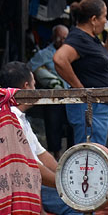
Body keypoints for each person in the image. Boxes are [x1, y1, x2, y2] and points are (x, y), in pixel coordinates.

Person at [0, 62, 89, 215]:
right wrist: (64, 187)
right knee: (77, 205)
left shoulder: (17, 115)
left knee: (82, 198)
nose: (37, 88)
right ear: (27, 86)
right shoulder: (6, 116)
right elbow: (29, 166)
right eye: (35, 84)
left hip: (29, 181)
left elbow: (42, 155)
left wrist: (66, 177)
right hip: (14, 187)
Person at [53, 0, 108, 145]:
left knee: (95, 152)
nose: (106, 20)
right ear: (94, 19)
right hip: (89, 107)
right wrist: (80, 89)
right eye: (104, 16)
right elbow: (59, 59)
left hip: (97, 108)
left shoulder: (91, 39)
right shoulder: (79, 38)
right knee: (88, 155)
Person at [28, 25, 72, 157]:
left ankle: (71, 153)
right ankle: (55, 155)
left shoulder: (71, 52)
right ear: (54, 38)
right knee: (53, 124)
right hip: (54, 96)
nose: (63, 41)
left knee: (72, 125)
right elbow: (29, 68)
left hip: (71, 94)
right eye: (60, 38)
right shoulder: (44, 54)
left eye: (66, 38)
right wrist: (43, 77)